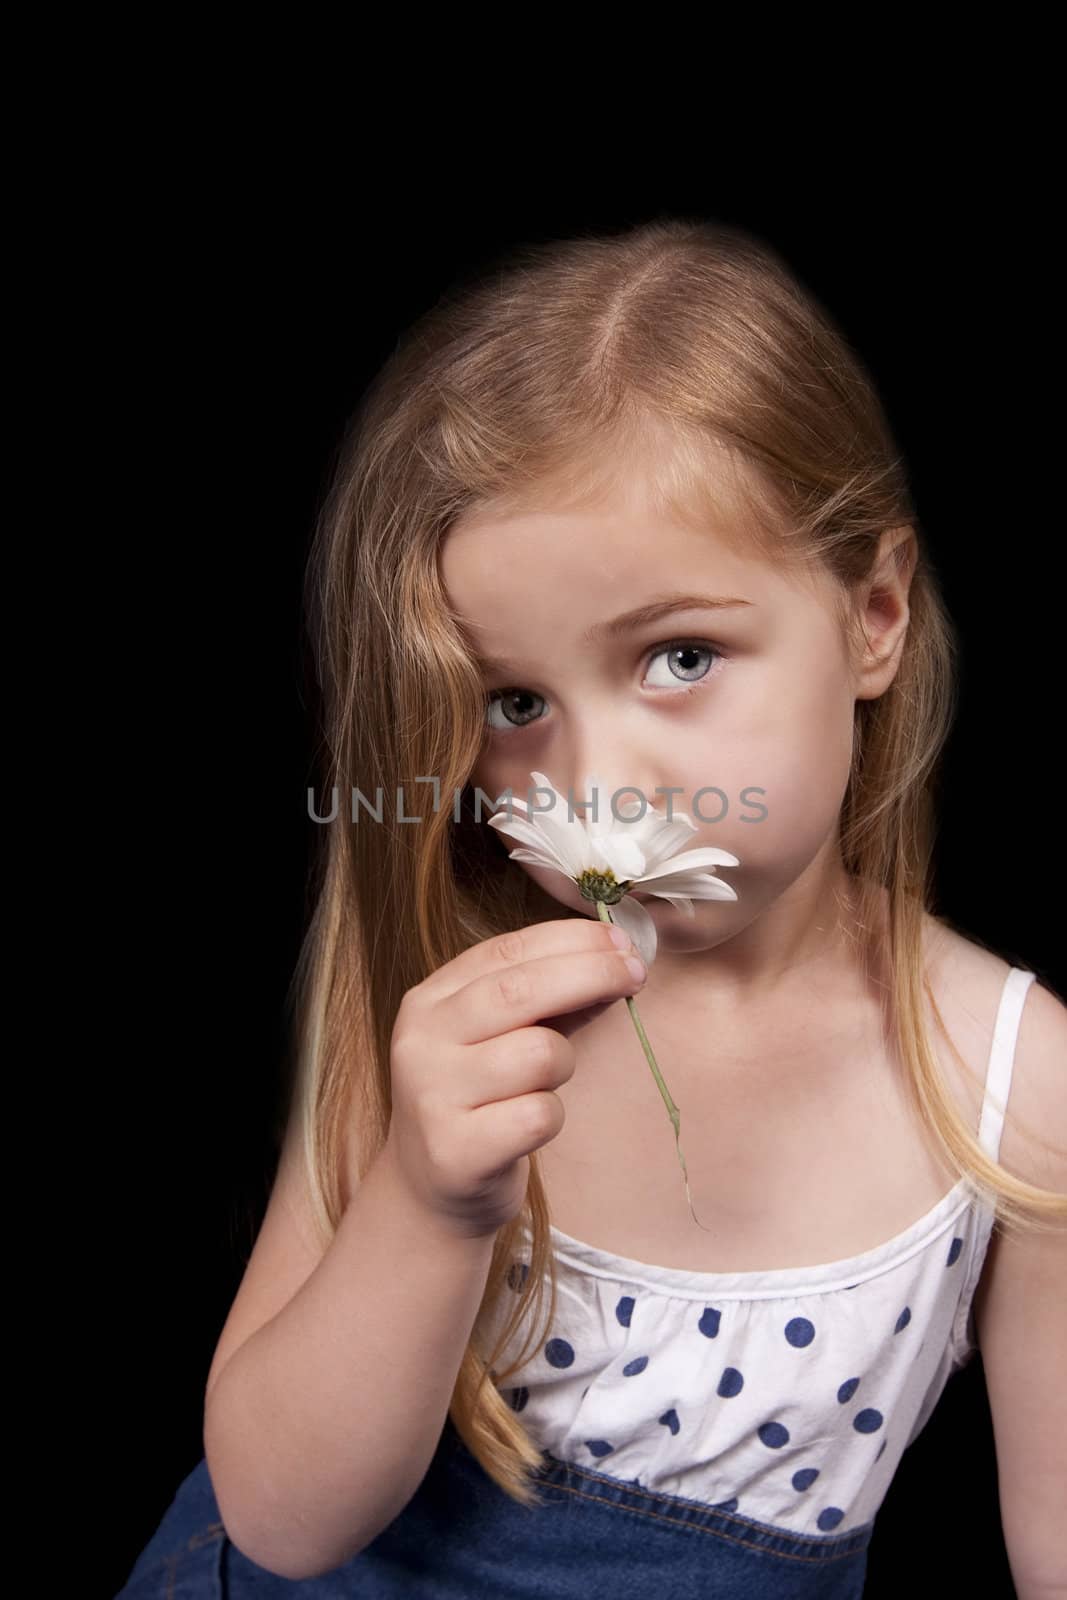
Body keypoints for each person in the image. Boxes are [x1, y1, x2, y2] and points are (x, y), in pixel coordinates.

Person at [117, 217, 1067, 1599]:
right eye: (514, 705)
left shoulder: (1016, 1087)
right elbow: (278, 1517)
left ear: (873, 616)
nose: (598, 782)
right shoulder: (447, 986)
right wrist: (425, 1210)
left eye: (681, 656)